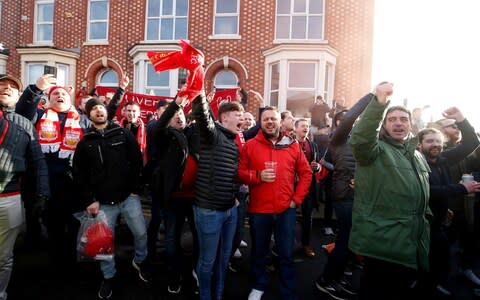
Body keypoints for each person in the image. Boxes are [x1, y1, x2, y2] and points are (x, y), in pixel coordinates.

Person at [348, 82, 430, 299]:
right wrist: (379, 103)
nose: (398, 123)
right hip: (382, 243)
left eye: (404, 119)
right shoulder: (374, 151)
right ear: (383, 125)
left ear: (411, 125)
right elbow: (361, 138)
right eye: (391, 119)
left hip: (411, 241)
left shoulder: (417, 154)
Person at [72, 98, 149, 299]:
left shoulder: (122, 134)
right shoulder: (85, 142)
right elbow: (79, 174)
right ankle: (109, 276)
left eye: (100, 107)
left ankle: (139, 261)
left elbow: (136, 162)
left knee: (141, 233)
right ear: (89, 116)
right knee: (103, 245)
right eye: (93, 109)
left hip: (128, 198)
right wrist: (89, 200)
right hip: (102, 203)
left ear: (107, 112)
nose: (98, 110)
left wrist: (135, 188)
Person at [238, 106, 312, 300]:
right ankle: (258, 285)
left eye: (273, 119)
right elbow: (239, 173)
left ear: (280, 121)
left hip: (285, 210)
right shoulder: (250, 145)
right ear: (260, 123)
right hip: (259, 210)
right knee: (259, 252)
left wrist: (296, 200)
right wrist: (257, 176)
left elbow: (306, 174)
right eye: (266, 119)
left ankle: (288, 291)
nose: (270, 122)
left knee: (286, 254)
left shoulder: (292, 145)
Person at [315, 93, 373, 300]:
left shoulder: (362, 141)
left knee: (351, 240)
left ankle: (336, 277)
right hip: (344, 195)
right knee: (345, 241)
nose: (355, 121)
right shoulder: (339, 139)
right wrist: (372, 96)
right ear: (339, 123)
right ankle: (325, 281)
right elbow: (349, 119)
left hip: (359, 195)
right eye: (350, 119)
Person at [417, 113, 480, 296]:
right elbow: (429, 190)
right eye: (429, 141)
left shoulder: (443, 158)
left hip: (439, 218)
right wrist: (461, 189)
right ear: (420, 145)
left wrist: (461, 118)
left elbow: (471, 143)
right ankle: (426, 287)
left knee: (440, 254)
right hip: (423, 222)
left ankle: (433, 283)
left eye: (438, 141)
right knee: (433, 255)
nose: (435, 145)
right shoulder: (417, 162)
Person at [0, 74, 50, 300]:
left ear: (18, 96)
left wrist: (42, 192)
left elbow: (38, 161)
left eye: (12, 87)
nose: (7, 88)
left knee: (3, 256)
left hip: (10, 198)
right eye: (2, 85)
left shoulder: (24, 123)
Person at [191, 93, 244, 300]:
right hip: (209, 211)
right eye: (237, 114)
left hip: (230, 209)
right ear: (223, 118)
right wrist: (198, 89)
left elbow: (228, 173)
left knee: (223, 260)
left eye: (242, 113)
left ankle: (218, 294)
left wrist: (234, 196)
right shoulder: (212, 134)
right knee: (208, 261)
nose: (242, 117)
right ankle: (205, 295)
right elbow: (202, 114)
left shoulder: (232, 141)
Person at [149, 95, 200, 294]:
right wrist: (176, 104)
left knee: (199, 239)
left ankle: (196, 274)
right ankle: (174, 275)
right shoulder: (163, 136)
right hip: (174, 200)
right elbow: (160, 123)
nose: (179, 117)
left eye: (181, 114)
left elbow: (207, 120)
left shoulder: (195, 134)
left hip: (196, 198)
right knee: (172, 239)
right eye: (175, 115)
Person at [294, 118, 321, 257]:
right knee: (289, 217)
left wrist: (317, 167)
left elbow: (319, 164)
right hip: (291, 187)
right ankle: (288, 245)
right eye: (303, 126)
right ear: (296, 129)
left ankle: (306, 244)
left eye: (308, 126)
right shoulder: (289, 144)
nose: (306, 128)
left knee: (307, 217)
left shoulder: (313, 145)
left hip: (309, 187)